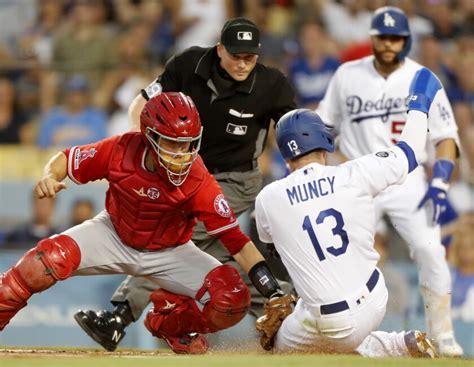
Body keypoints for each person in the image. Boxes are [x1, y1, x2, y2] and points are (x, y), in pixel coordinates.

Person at [0, 92, 288, 355]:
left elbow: (238, 243)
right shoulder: (120, 149)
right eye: (172, 142)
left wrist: (272, 291)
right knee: (41, 263)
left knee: (233, 300)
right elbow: (66, 158)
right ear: (149, 136)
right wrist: (50, 176)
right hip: (111, 233)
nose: (180, 154)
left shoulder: (199, 180)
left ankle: (173, 324)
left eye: (187, 144)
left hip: (171, 252)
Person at [74, 16, 297, 351]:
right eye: (235, 54)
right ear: (219, 49)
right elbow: (142, 103)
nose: (242, 63)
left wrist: (302, 172)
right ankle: (286, 304)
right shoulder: (187, 64)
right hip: (179, 173)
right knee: (213, 259)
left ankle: (119, 316)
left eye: (250, 57)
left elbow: (292, 131)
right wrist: (142, 148)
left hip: (233, 181)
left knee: (173, 244)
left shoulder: (272, 84)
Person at [254, 67, 440, 357]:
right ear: (324, 144)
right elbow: (411, 151)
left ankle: (391, 346)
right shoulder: (354, 173)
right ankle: (401, 344)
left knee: (279, 344)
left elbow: (270, 243)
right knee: (324, 325)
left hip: (330, 321)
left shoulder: (268, 198)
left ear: (286, 156)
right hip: (376, 297)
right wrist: (419, 102)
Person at [316, 6, 463, 357]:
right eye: (382, 36)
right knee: (344, 260)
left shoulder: (422, 77)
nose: (388, 43)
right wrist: (328, 168)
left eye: (395, 37)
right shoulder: (347, 74)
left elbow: (446, 137)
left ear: (406, 40)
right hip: (358, 177)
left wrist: (440, 182)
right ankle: (349, 337)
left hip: (407, 179)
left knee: (430, 249)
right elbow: (323, 126)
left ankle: (441, 334)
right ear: (372, 38)